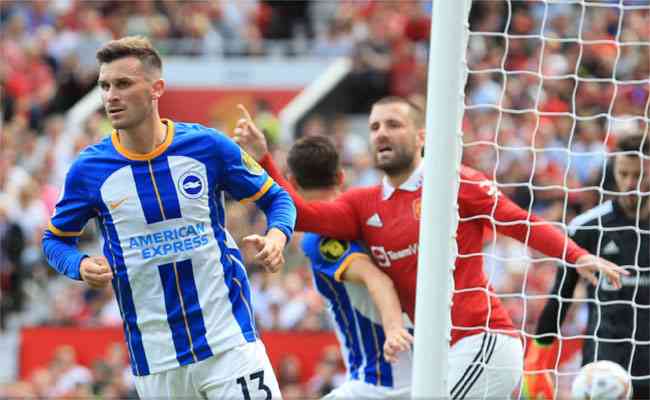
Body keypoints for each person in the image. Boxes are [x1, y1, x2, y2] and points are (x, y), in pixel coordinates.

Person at [235, 96, 627, 399]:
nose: (381, 134)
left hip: (484, 342)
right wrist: (265, 158)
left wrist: (576, 255)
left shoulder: (455, 183)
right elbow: (301, 214)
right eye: (374, 127)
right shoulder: (362, 203)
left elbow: (520, 223)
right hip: (436, 355)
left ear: (421, 136)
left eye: (393, 124)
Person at [41, 36, 296, 399]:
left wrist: (276, 236)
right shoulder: (89, 169)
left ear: (156, 88)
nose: (111, 95)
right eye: (105, 86)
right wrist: (79, 265)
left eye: (124, 84)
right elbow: (53, 241)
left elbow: (278, 198)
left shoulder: (208, 147)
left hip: (229, 344)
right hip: (156, 362)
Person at [236, 105, 414, 399]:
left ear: (292, 181)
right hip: (412, 372)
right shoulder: (365, 219)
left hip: (380, 382)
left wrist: (393, 330)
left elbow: (376, 278)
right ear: (341, 177)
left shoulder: (320, 238)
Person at [523, 133, 649, 400]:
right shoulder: (588, 227)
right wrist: (537, 358)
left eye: (639, 176)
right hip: (604, 366)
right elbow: (560, 296)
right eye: (623, 174)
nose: (629, 184)